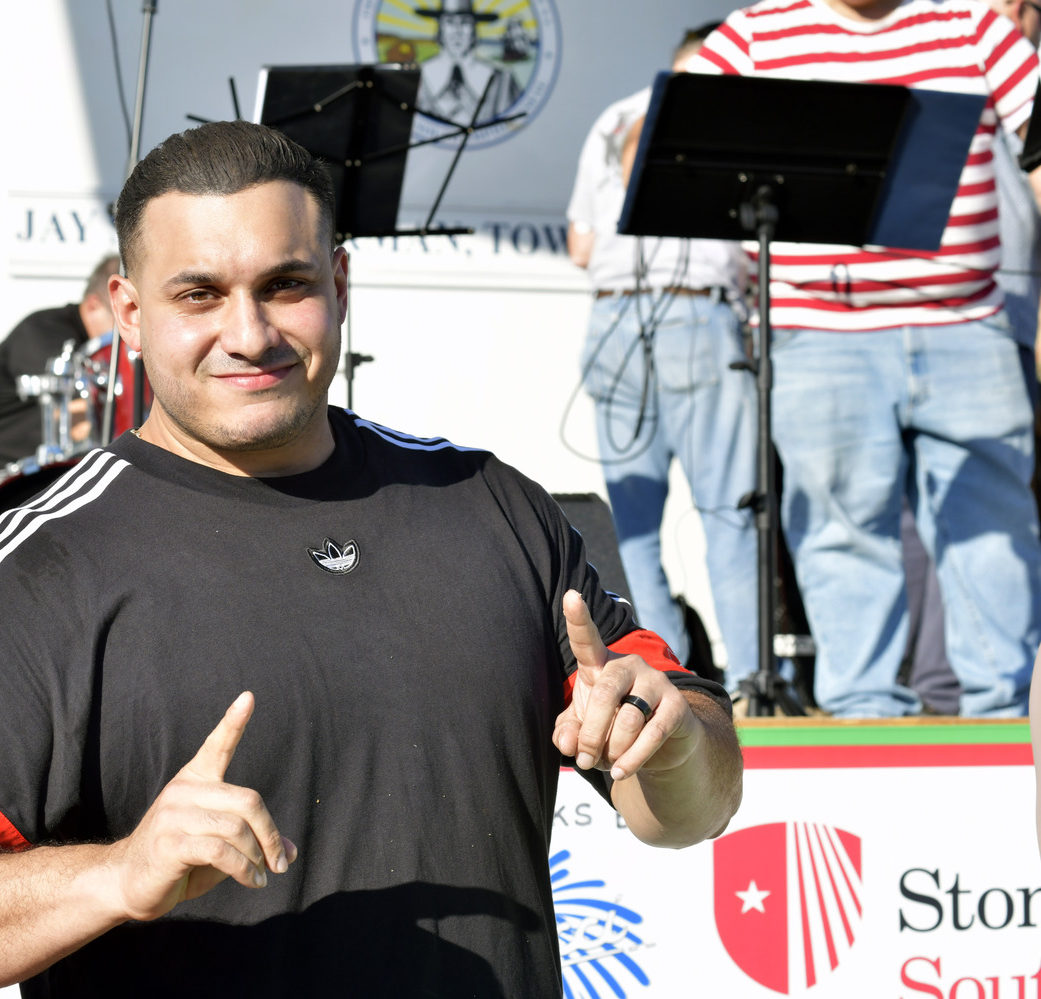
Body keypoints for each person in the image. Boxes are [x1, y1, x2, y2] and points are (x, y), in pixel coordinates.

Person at [0, 120, 743, 998]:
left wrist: (672, 745)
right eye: (199, 295)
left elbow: (692, 805)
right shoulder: (47, 558)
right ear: (129, 315)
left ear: (340, 280)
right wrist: (118, 875)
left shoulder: (489, 506)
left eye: (285, 285)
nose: (250, 334)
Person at [690, 0, 1041, 717]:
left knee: (995, 530)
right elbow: (678, 142)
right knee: (839, 537)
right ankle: (866, 725)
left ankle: (1007, 726)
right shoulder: (757, 32)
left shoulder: (971, 25)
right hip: (820, 335)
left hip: (967, 326)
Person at [565, 23, 760, 699]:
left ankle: (666, 681)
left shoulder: (613, 115)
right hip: (698, 312)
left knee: (634, 529)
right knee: (730, 513)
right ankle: (751, 684)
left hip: (616, 315)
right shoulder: (742, 121)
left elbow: (581, 246)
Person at [0, 254, 119, 481]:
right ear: (93, 306)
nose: (131, 329)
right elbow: (74, 423)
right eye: (122, 316)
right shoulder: (44, 330)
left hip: (21, 475)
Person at [415, 0, 522, 124]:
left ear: (474, 28)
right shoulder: (416, 77)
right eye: (449, 22)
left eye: (465, 22)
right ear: (440, 27)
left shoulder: (503, 82)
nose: (457, 31)